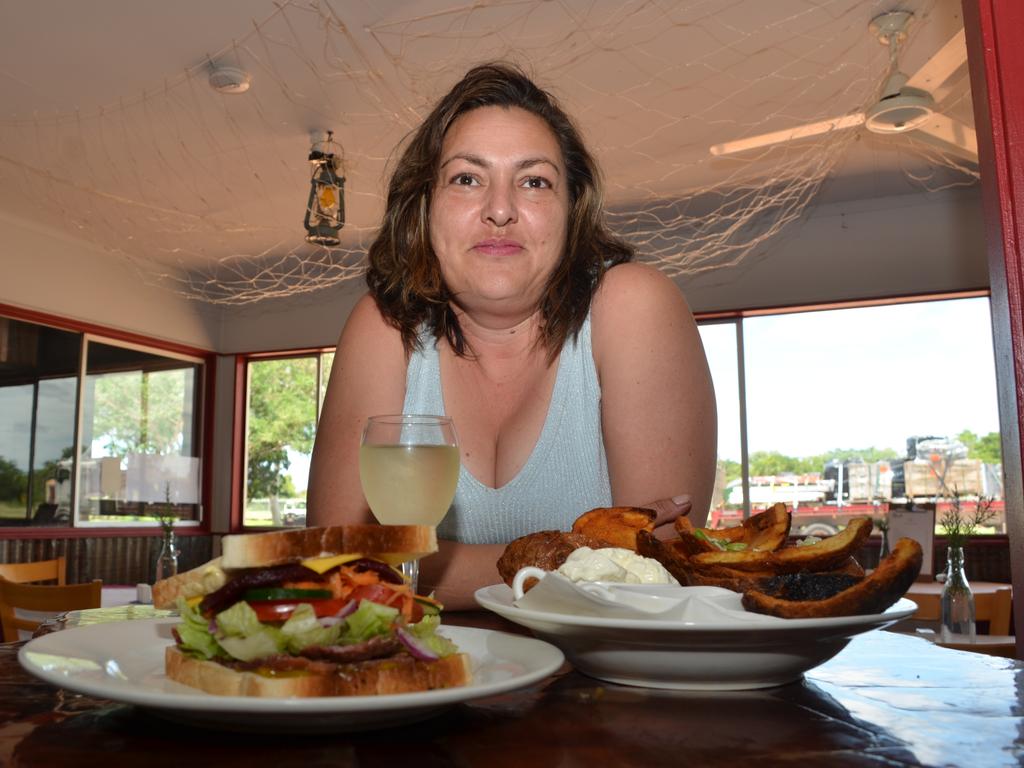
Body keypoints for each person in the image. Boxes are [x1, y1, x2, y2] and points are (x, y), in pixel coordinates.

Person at [308, 62, 717, 608]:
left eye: (534, 182)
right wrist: (581, 552)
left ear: (571, 212)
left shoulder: (632, 305)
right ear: (425, 206)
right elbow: (338, 559)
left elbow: (658, 565)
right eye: (467, 178)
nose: (499, 210)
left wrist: (417, 569)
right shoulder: (383, 326)